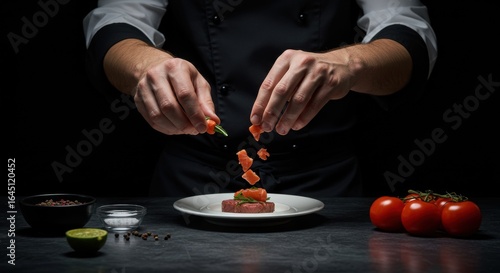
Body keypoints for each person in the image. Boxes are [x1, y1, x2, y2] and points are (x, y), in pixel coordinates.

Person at [82, 0, 437, 198]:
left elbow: (407, 28)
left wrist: (348, 63)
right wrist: (146, 66)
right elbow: (116, 20)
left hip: (326, 184)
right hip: (194, 179)